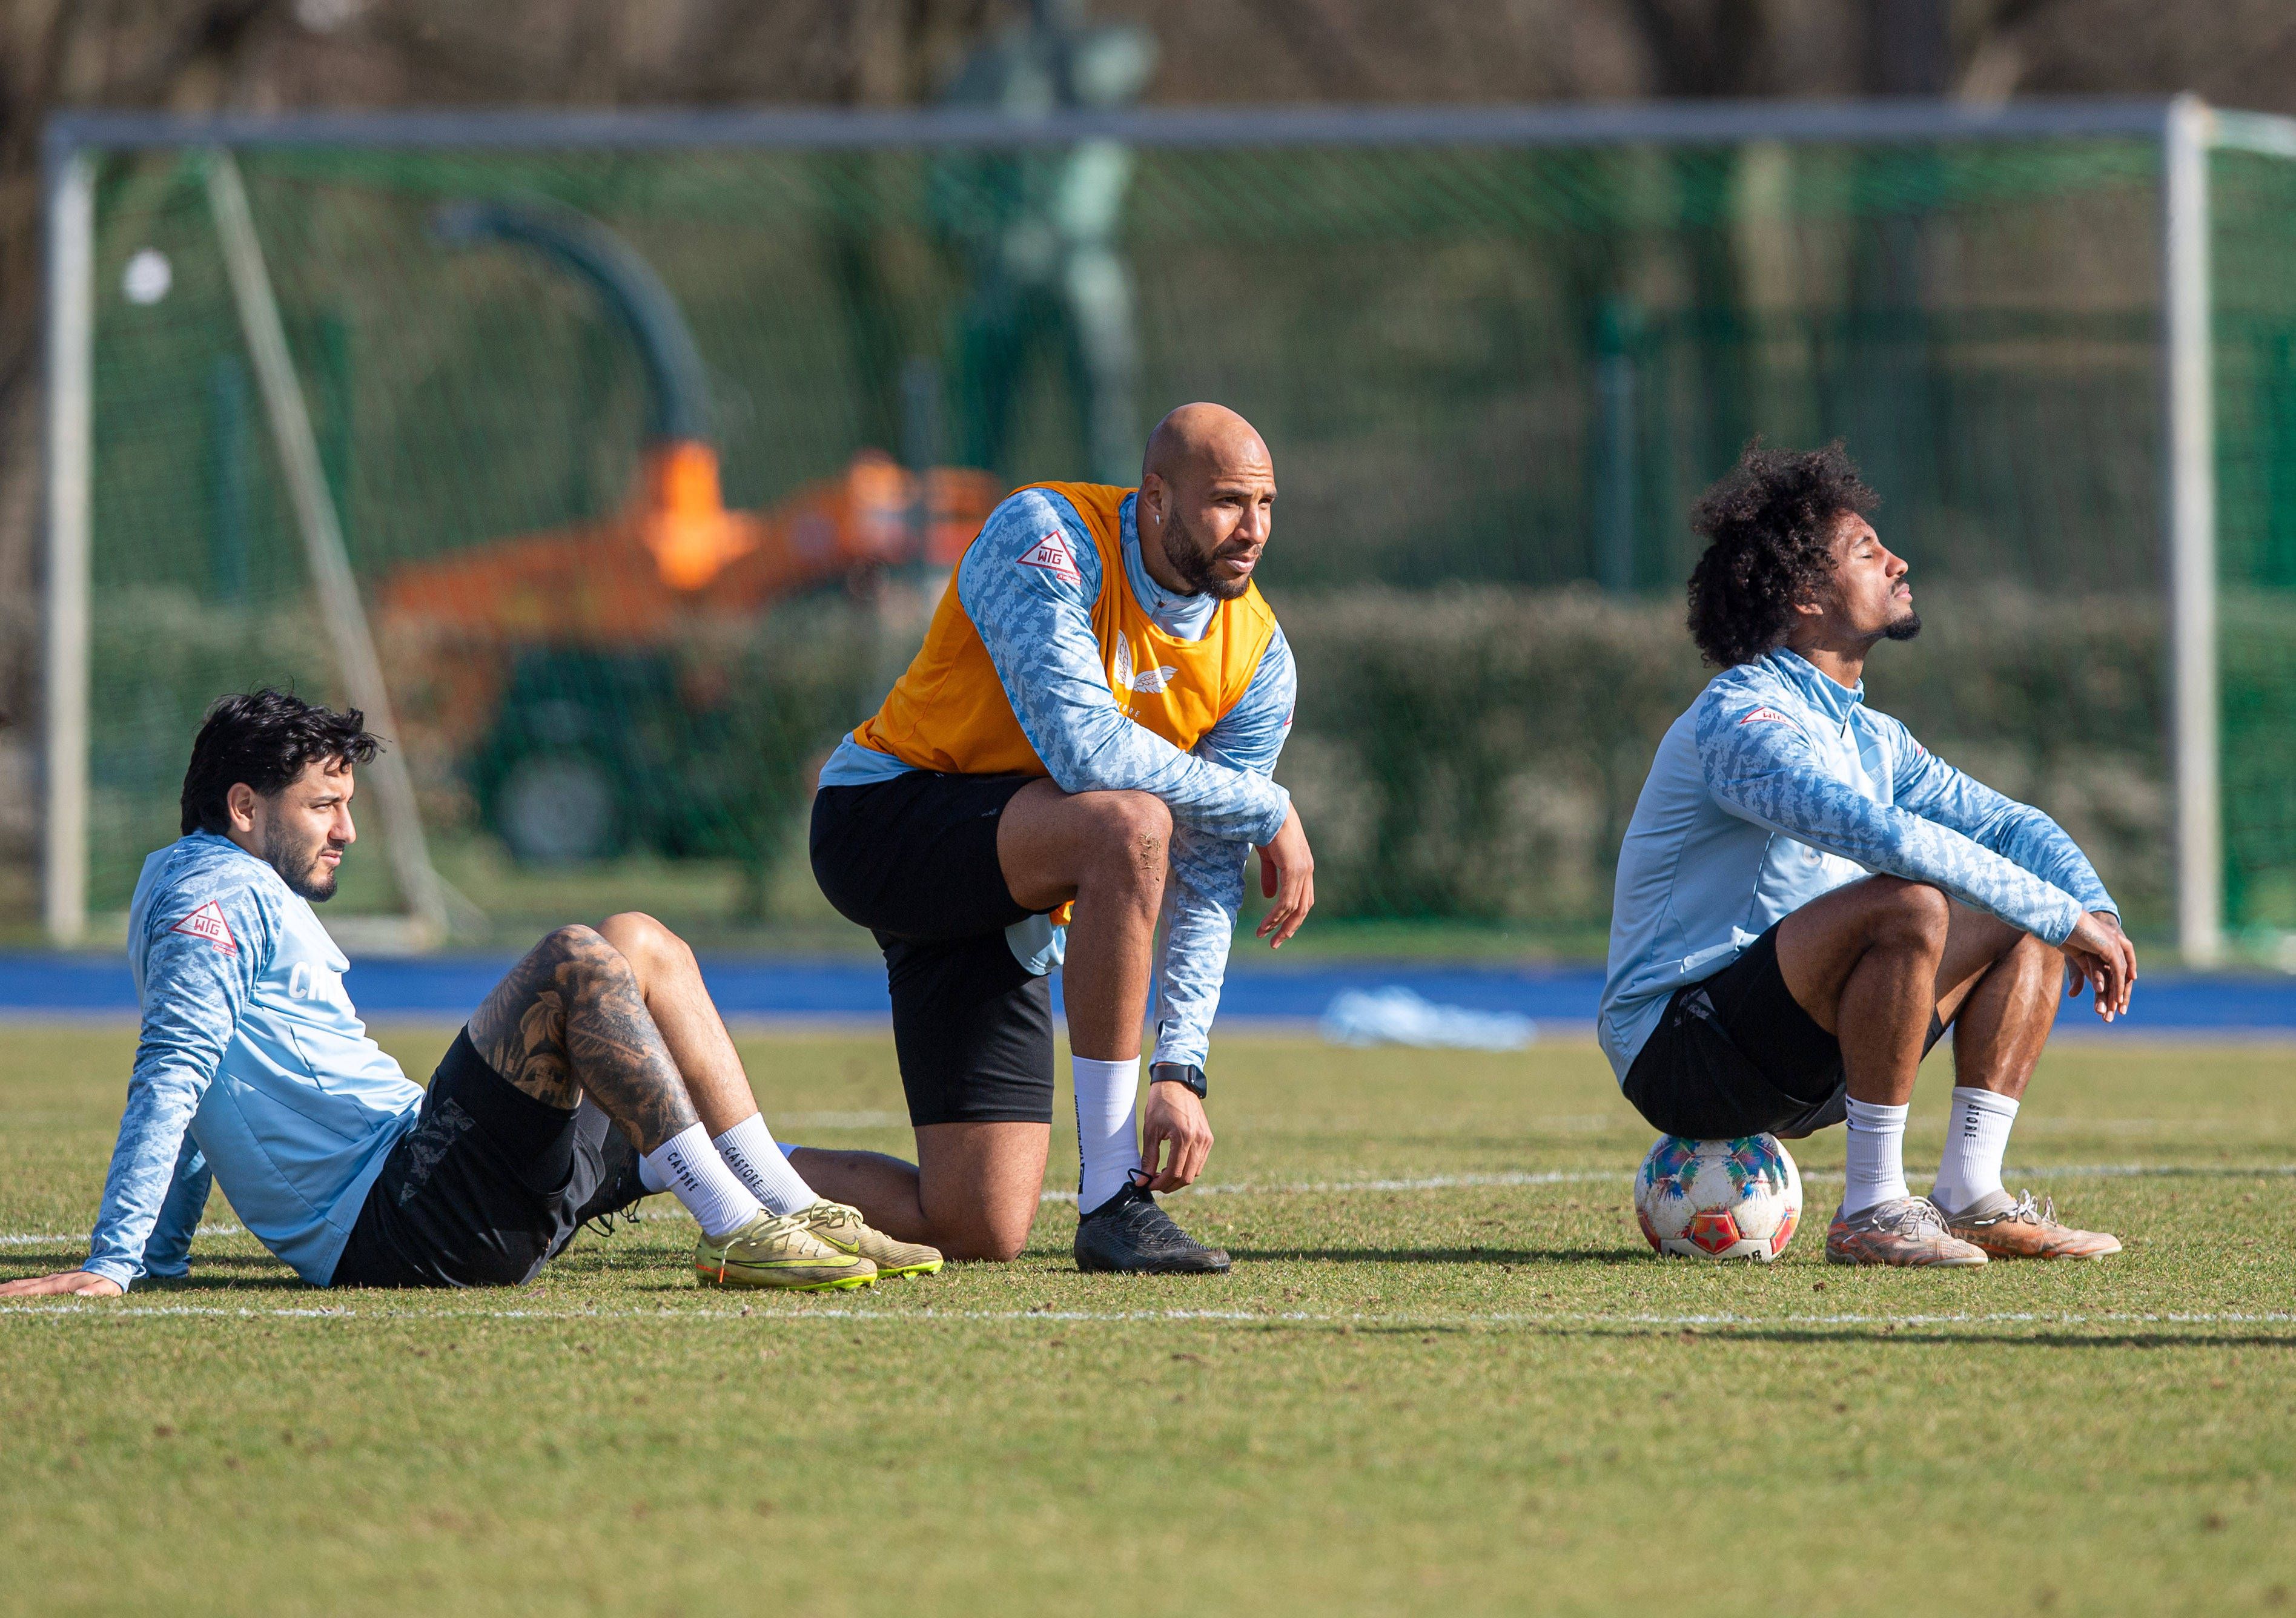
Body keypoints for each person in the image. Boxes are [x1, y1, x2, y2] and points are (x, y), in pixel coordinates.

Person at [0, 689, 941, 1299]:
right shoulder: (210, 897)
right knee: (574, 956)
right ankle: (736, 1229)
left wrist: (160, 1258)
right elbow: (176, 1070)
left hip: (432, 1181)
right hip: (404, 1227)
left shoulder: (208, 886)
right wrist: (115, 1266)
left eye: (349, 806)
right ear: (244, 807)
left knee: (641, 946)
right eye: (324, 806)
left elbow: (206, 1091)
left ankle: (780, 1207)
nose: (348, 833)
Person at [801, 402, 1314, 1272]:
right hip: (886, 818)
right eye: (1228, 502)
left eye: (1266, 505)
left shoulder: (1260, 659)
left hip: (1012, 894)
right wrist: (1267, 805)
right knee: (1129, 821)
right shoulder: (1044, 534)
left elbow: (1209, 867)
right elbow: (1086, 753)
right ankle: (1116, 1199)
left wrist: (1180, 1069)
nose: (1253, 530)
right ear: (1155, 497)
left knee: (976, 1228)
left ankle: (666, 1159)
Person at [1598, 443, 2136, 1268]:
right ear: (1807, 596)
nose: (1898, 561)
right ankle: (1873, 1210)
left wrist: (2088, 909)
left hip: (1799, 1040)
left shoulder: (1873, 736)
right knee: (1912, 901)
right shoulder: (1740, 721)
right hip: (1680, 1049)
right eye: (1867, 551)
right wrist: (2060, 913)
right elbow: (1879, 838)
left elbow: (2007, 826)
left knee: (2017, 908)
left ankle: (1970, 1196)